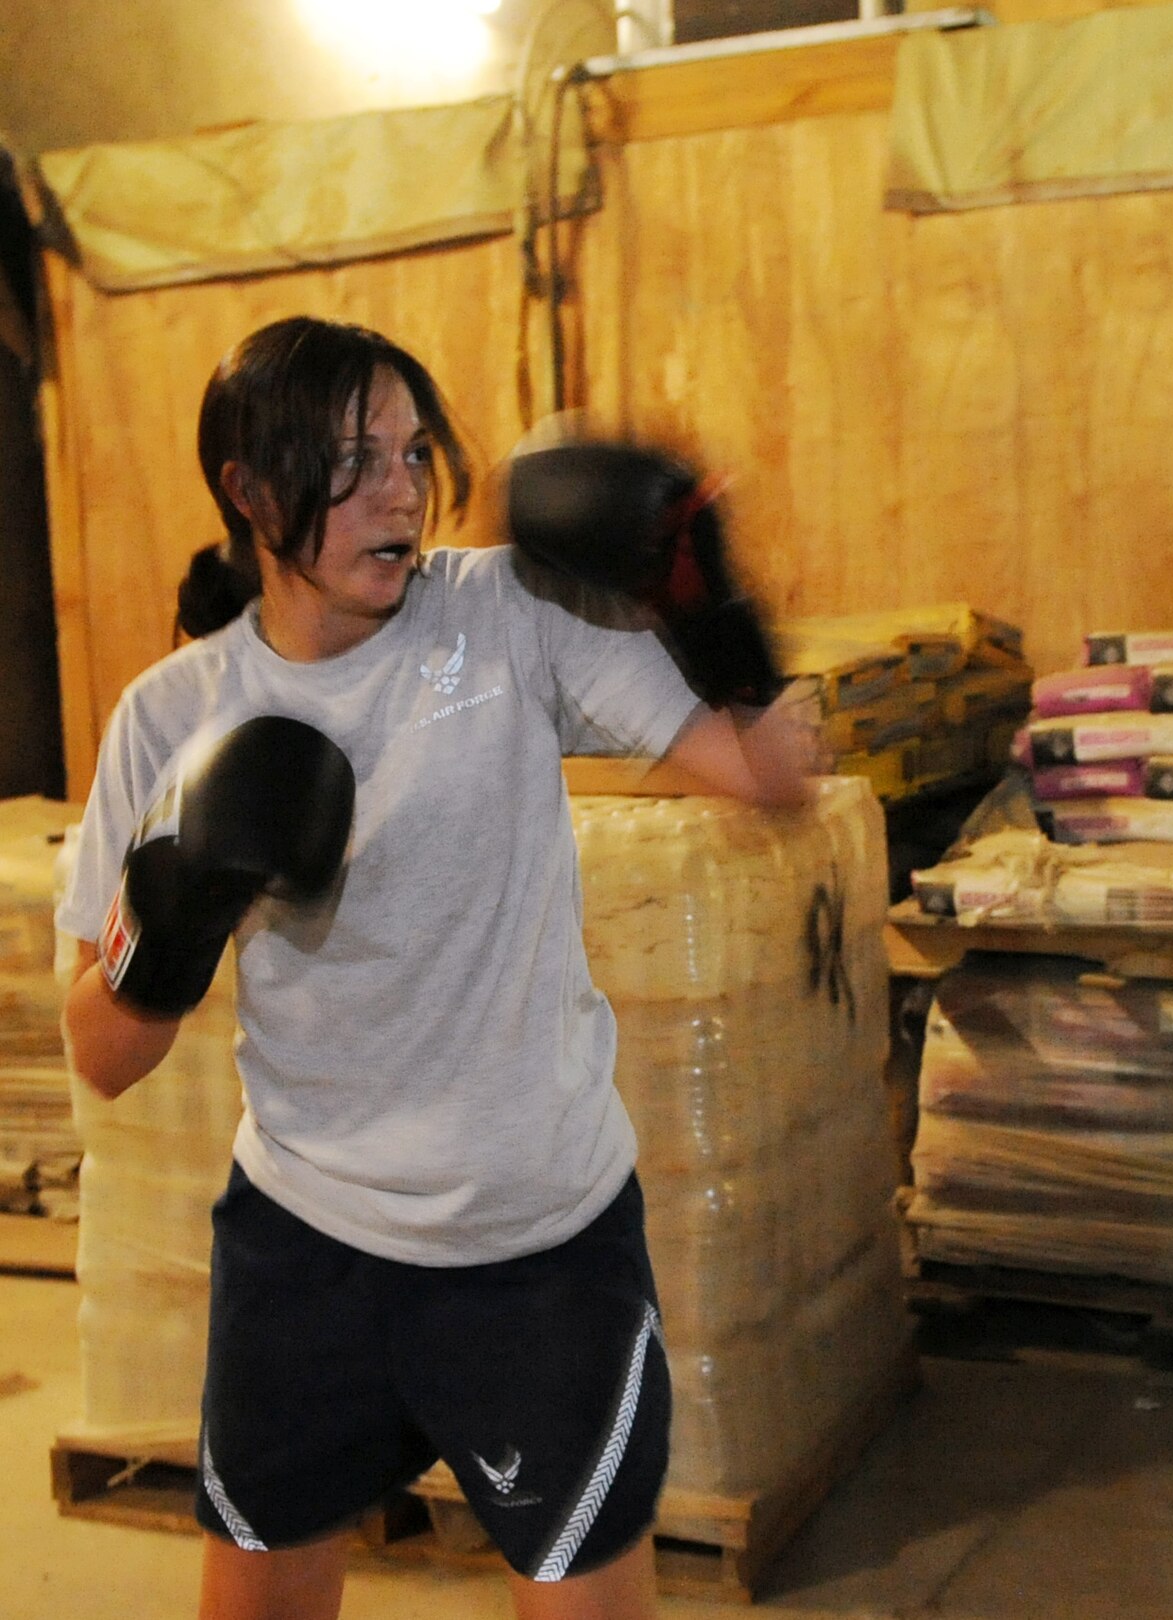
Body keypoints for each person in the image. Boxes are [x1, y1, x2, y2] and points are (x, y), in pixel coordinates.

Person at [57, 314, 819, 1620]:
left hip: (540, 1251)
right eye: (351, 462)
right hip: (304, 1251)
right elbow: (101, 1057)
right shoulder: (173, 716)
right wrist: (170, 918)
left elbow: (773, 774)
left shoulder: (509, 613)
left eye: (414, 453)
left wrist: (712, 602)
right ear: (248, 490)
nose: (399, 492)